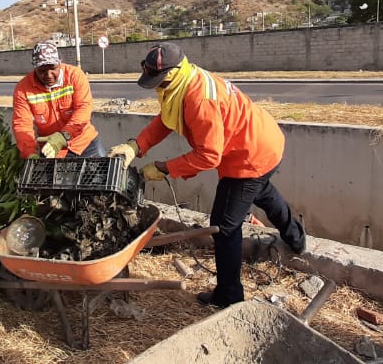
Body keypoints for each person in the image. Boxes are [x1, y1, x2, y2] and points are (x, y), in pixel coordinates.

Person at [108, 42, 307, 308]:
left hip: (249, 154)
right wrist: (137, 145)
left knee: (224, 226)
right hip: (262, 142)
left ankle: (229, 296)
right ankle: (296, 237)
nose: (156, 86)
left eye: (159, 80)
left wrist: (164, 168)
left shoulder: (199, 99)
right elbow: (166, 119)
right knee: (264, 192)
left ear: (175, 71)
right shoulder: (184, 81)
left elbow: (208, 155)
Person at [12, 42, 104, 159]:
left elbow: (83, 108)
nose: (49, 75)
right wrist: (29, 153)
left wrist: (64, 135)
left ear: (59, 63)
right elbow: (22, 124)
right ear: (35, 68)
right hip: (52, 150)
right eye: (42, 71)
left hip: (85, 143)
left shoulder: (75, 76)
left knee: (105, 174)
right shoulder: (23, 89)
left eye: (53, 69)